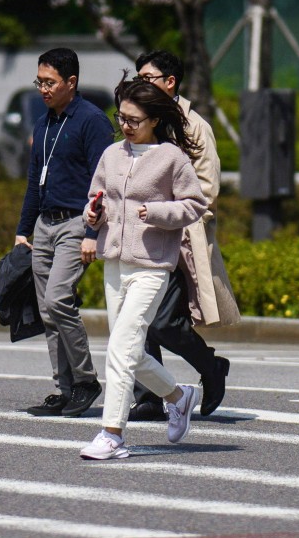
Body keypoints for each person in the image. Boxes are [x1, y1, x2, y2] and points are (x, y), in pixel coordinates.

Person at [79, 78, 206, 460]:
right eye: (122, 118)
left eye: (134, 119)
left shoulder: (171, 158)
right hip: (114, 263)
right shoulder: (112, 155)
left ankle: (112, 434)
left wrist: (157, 212)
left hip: (152, 266)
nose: (126, 125)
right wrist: (93, 214)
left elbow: (195, 205)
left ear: (153, 120)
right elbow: (95, 196)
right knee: (129, 351)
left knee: (120, 347)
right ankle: (179, 396)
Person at [128, 50, 238, 421]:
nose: (140, 85)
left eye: (148, 78)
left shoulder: (194, 126)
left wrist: (172, 217)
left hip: (180, 240)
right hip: (142, 237)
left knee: (162, 322)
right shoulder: (144, 123)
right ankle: (148, 396)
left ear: (170, 82)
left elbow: (206, 190)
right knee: (137, 314)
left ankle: (210, 366)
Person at [15, 48, 115, 418]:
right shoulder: (43, 123)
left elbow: (104, 181)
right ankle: (65, 388)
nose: (43, 88)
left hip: (76, 222)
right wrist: (23, 229)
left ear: (71, 82)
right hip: (44, 223)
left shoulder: (92, 121)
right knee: (47, 312)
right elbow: (32, 180)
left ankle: (87, 381)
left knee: (58, 299)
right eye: (39, 82)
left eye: (49, 82)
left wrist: (93, 231)